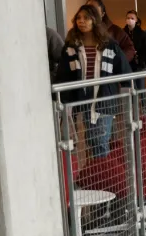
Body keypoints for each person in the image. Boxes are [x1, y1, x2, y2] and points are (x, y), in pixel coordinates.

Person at [55, 5, 132, 158]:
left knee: (100, 143)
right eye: (78, 18)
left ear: (95, 20)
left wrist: (127, 97)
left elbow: (125, 72)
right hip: (79, 101)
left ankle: (103, 179)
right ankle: (92, 178)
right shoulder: (71, 47)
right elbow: (63, 75)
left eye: (86, 18)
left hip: (104, 100)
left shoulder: (110, 46)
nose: (81, 21)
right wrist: (63, 101)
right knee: (86, 143)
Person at [85, 0, 137, 67]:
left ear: (102, 14)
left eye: (95, 11)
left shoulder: (114, 30)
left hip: (108, 73)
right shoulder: (79, 31)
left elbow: (130, 49)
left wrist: (116, 62)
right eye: (88, 10)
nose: (91, 14)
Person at [124, 11, 146, 78]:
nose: (130, 20)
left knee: (140, 85)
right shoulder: (122, 33)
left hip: (139, 64)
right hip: (126, 64)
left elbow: (145, 48)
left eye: (132, 18)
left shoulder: (141, 33)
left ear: (136, 20)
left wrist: (141, 60)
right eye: (128, 18)